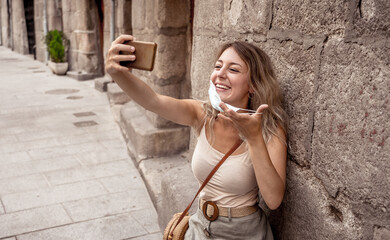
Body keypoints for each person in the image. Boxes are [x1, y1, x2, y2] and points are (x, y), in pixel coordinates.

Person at [106, 35, 288, 240]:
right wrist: (117, 73)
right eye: (218, 66)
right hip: (200, 227)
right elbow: (153, 101)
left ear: (253, 85)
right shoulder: (203, 114)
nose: (220, 74)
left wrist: (254, 139)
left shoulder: (270, 129)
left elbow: (273, 200)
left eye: (233, 69)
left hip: (244, 232)